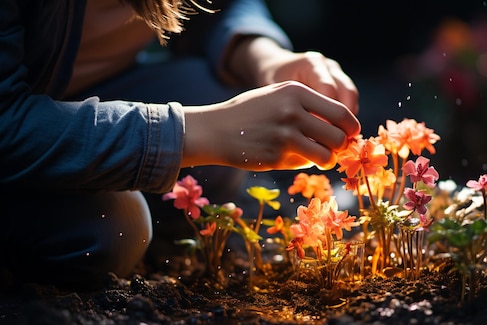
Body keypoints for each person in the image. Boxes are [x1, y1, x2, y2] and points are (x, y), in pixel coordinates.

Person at [0, 0, 360, 289]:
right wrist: (198, 132)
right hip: (18, 121)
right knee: (114, 228)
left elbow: (217, 7)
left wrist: (262, 56)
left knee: (232, 102)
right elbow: (7, 123)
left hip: (92, 91)